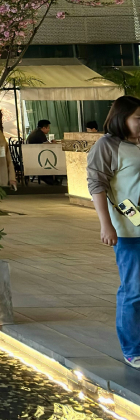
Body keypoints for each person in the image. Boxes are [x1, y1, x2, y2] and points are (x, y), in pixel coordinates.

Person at [87, 95, 140, 367]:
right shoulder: (107, 145)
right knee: (133, 290)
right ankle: (132, 349)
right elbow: (96, 184)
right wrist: (105, 224)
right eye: (138, 118)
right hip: (130, 231)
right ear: (123, 118)